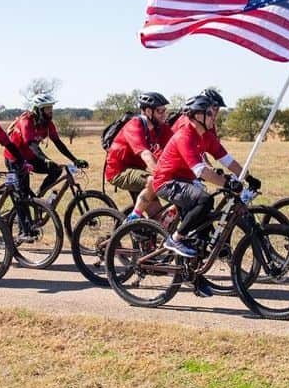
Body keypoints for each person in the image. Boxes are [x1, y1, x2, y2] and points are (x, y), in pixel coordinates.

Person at [150, 95, 239, 297]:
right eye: (208, 113)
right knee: (204, 199)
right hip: (167, 181)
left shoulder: (205, 135)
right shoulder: (185, 135)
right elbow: (200, 170)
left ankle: (194, 278)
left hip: (185, 182)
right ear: (197, 115)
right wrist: (227, 183)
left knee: (203, 231)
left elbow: (226, 158)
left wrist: (246, 177)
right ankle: (175, 239)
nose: (213, 117)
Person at [167, 88, 261, 194]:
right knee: (200, 198)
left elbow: (218, 152)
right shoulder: (187, 124)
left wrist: (247, 177)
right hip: (174, 170)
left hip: (190, 168)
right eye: (214, 108)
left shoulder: (208, 126)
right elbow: (194, 154)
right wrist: (210, 169)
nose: (216, 113)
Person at [3, 92, 88, 204]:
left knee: (56, 169)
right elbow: (31, 144)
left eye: (51, 107)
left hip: (30, 156)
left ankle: (38, 197)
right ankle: (23, 220)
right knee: (22, 195)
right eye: (47, 108)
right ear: (38, 109)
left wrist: (74, 160)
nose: (50, 111)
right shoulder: (26, 121)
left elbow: (58, 143)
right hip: (14, 158)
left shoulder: (47, 124)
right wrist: (45, 159)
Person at [104, 92, 173, 220]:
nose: (164, 114)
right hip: (119, 171)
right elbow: (145, 154)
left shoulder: (161, 127)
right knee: (153, 181)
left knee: (159, 218)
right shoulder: (135, 125)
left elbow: (177, 147)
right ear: (148, 111)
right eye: (160, 111)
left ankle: (148, 236)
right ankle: (132, 219)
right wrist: (161, 174)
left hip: (138, 171)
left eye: (165, 110)